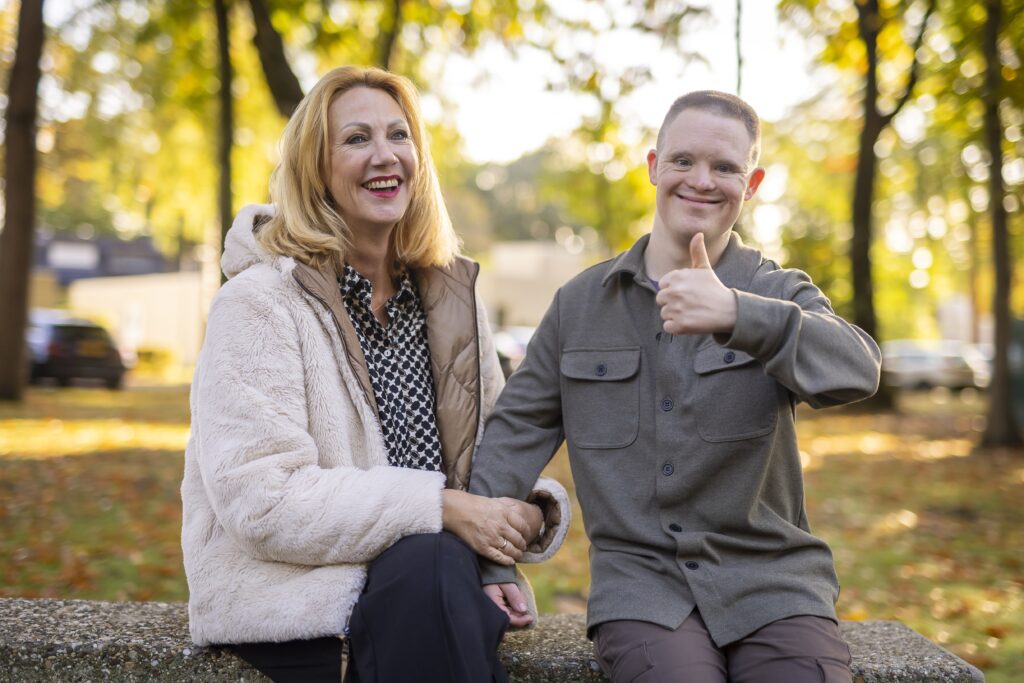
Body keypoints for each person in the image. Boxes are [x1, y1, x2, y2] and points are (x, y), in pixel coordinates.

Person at [469, 90, 882, 683]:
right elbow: (515, 432)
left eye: (725, 167)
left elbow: (859, 369)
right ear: (654, 166)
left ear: (752, 183)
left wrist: (738, 314)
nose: (702, 181)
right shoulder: (580, 305)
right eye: (683, 160)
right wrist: (490, 563)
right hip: (642, 593)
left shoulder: (777, 290)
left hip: (775, 586)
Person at [180, 65, 569, 683]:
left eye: (399, 135)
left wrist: (520, 511)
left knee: (435, 571)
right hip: (302, 603)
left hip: (437, 591)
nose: (385, 155)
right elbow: (262, 501)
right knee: (432, 565)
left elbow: (491, 452)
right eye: (356, 138)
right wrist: (441, 509)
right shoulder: (257, 303)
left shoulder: (452, 301)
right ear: (315, 168)